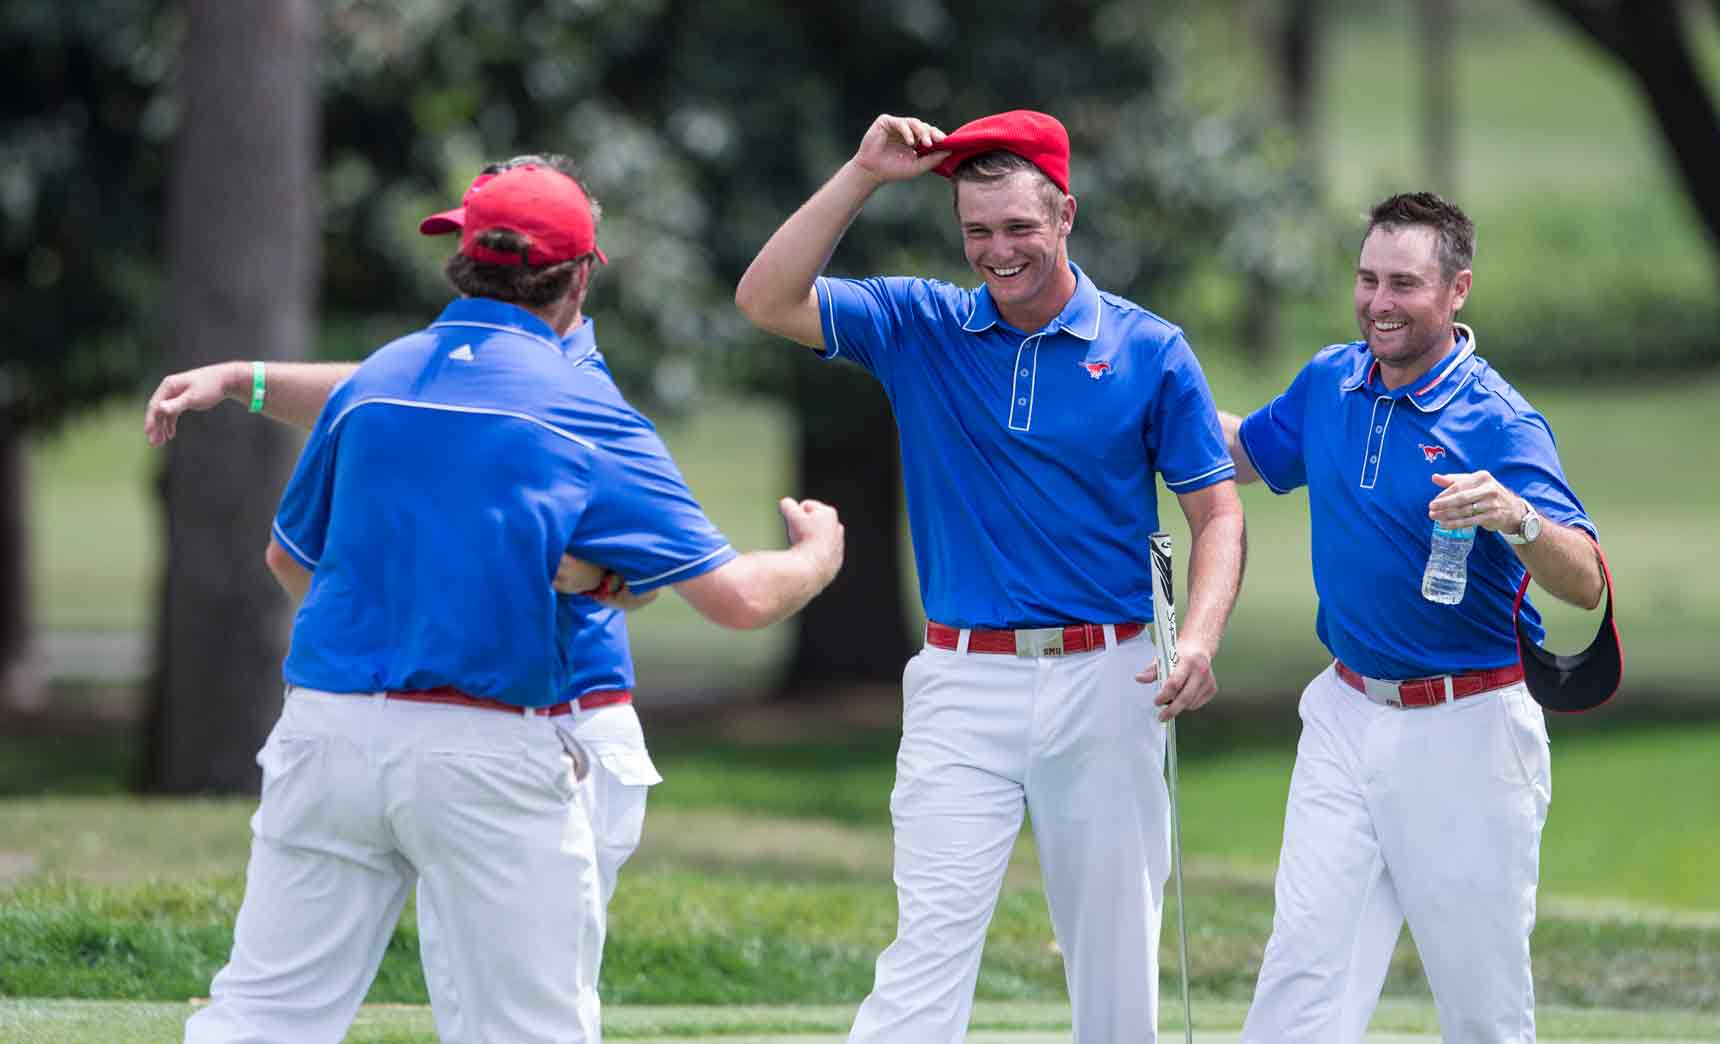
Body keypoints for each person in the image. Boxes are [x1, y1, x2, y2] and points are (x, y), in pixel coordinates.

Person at [183, 161, 844, 1044]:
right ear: (580, 275)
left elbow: (288, 557)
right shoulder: (585, 410)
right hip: (484, 743)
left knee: (262, 1015)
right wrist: (817, 557)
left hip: (324, 730)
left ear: (463, 257)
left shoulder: (376, 380)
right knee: (528, 1030)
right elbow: (738, 600)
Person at [735, 110, 1245, 1044]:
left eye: (1018, 228)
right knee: (929, 940)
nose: (998, 252)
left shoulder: (1149, 348)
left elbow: (1216, 512)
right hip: (961, 680)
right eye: (977, 232)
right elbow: (766, 298)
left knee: (1114, 956)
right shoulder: (918, 323)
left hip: (1111, 674)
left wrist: (1202, 636)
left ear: (1065, 216)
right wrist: (861, 175)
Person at [1222, 191, 1607, 1043]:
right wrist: (1144, 410)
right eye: (1367, 279)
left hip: (1469, 728)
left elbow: (1582, 582)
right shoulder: (1331, 380)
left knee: (1480, 1004)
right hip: (1344, 712)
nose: (1378, 302)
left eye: (1404, 283)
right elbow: (1246, 451)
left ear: (1457, 289)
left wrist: (1517, 515)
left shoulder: (1500, 421)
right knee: (1300, 973)